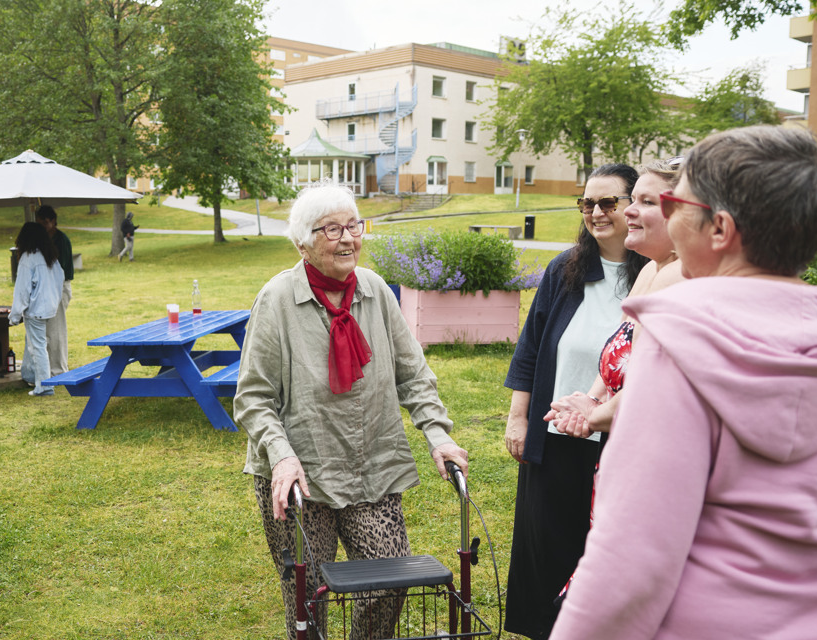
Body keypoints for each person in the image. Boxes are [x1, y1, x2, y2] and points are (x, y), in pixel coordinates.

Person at [551, 126, 817, 639]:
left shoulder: (679, 341)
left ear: (720, 230)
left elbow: (632, 558)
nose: (664, 215)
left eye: (675, 203)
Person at [234, 181, 470, 640]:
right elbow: (253, 397)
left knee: (390, 582)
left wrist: (438, 434)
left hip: (371, 467)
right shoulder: (277, 299)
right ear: (302, 243)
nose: (347, 239)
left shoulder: (376, 291)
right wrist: (281, 457)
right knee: (307, 597)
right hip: (301, 473)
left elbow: (413, 374)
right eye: (332, 229)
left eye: (353, 226)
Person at [502, 163, 649, 639]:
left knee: (604, 551)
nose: (595, 212)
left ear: (634, 204)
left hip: (619, 440)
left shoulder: (655, 275)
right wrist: (518, 418)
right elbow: (530, 348)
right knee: (547, 548)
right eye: (587, 203)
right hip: (555, 434)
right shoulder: (565, 269)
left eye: (608, 202)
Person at [540, 158, 687, 601]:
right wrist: (588, 400)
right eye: (633, 200)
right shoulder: (652, 270)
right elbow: (618, 362)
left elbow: (651, 387)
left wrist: (592, 417)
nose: (630, 212)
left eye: (645, 202)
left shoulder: (681, 278)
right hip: (620, 449)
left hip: (654, 459)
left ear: (684, 211)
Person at [8, 222, 65, 397]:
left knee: (38, 348)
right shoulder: (50, 256)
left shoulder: (28, 258)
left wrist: (14, 316)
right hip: (49, 309)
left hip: (36, 311)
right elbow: (60, 279)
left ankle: (44, 386)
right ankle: (39, 381)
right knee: (40, 346)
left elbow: (22, 289)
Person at [37, 205, 73, 376]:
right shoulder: (42, 239)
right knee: (45, 331)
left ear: (52, 221)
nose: (42, 226)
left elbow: (60, 269)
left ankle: (58, 370)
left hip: (59, 287)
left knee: (56, 330)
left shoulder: (61, 240)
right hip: (45, 288)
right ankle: (46, 367)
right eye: (39, 223)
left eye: (44, 223)